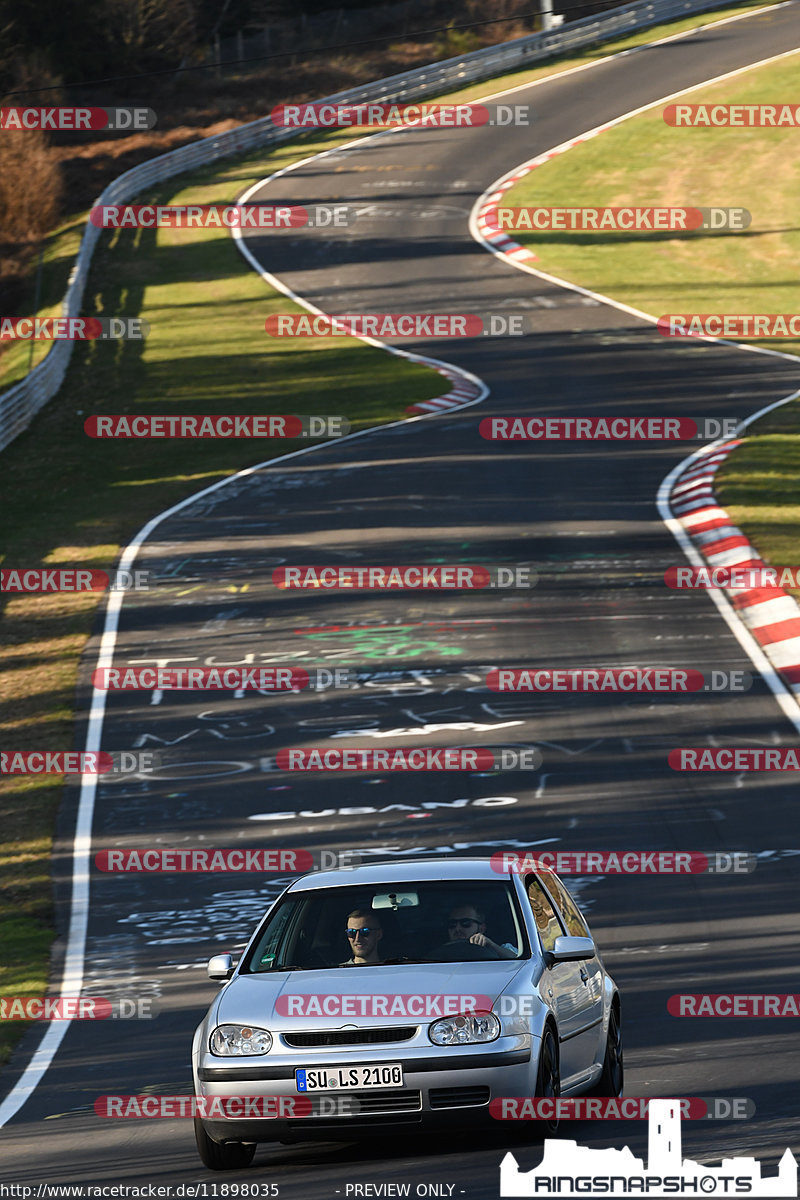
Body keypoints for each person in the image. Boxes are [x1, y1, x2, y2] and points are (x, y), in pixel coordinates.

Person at [447, 903, 517, 959]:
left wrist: (491, 945)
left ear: (481, 929)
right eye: (452, 924)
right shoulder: (439, 954)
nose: (457, 928)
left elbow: (519, 962)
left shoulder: (499, 949)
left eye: (466, 923)